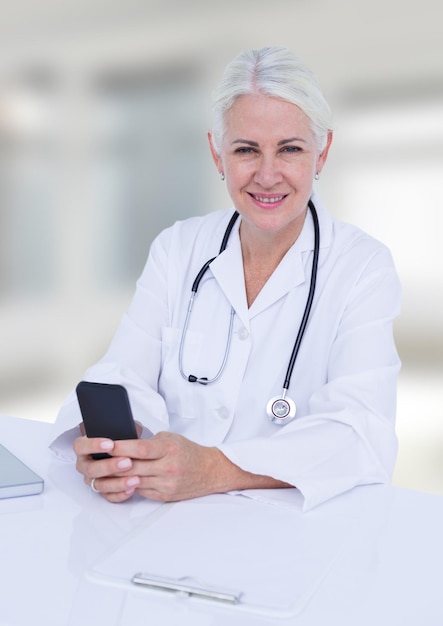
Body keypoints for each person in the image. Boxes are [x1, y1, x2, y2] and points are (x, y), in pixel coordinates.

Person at [51, 46, 401, 511]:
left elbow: (360, 431)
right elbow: (121, 375)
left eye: (290, 149)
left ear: (323, 152)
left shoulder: (362, 267)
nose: (268, 174)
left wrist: (214, 469)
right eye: (246, 150)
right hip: (164, 515)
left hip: (291, 531)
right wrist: (114, 450)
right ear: (218, 155)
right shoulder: (178, 249)